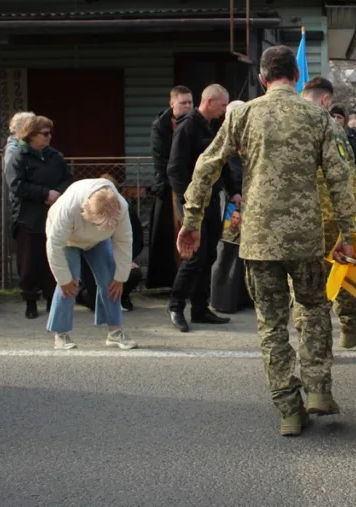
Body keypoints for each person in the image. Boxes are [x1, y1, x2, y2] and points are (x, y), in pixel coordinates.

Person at [177, 45, 356, 437]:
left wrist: (192, 218)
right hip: (305, 237)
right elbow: (339, 178)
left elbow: (206, 165)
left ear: (261, 79)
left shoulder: (242, 113)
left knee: (271, 324)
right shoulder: (317, 115)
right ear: (295, 76)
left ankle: (289, 410)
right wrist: (349, 233)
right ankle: (319, 390)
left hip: (258, 239)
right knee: (312, 309)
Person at [302, 77, 356, 349]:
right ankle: (349, 327)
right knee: (342, 271)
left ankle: (303, 326)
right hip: (331, 216)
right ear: (325, 100)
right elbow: (346, 177)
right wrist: (354, 217)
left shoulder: (288, 124)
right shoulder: (330, 127)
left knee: (303, 278)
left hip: (298, 217)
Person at [166, 84, 238, 332]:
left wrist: (234, 191)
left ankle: (199, 308)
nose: (224, 110)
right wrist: (189, 203)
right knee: (193, 255)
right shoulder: (187, 128)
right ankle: (176, 306)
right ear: (209, 102)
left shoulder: (214, 127)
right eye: (222, 105)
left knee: (209, 255)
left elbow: (223, 163)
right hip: (193, 202)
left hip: (212, 199)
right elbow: (175, 168)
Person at [45, 178, 137, 350]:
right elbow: (54, 245)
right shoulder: (69, 207)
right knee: (69, 283)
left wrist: (121, 277)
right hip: (68, 241)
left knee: (111, 281)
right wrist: (63, 279)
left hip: (99, 241)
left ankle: (115, 332)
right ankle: (61, 334)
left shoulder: (121, 207)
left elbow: (124, 241)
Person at [5, 115, 73, 319]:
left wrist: (59, 193)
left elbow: (67, 178)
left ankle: (53, 298)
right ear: (32, 135)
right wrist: (44, 194)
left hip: (52, 217)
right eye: (45, 133)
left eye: (50, 133)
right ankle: (30, 301)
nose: (49, 137)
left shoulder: (55, 156)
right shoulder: (19, 156)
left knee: (51, 259)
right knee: (29, 263)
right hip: (28, 217)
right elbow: (16, 185)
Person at [147, 86, 193, 289]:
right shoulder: (160, 126)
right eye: (183, 103)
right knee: (170, 236)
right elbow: (161, 160)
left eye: (190, 102)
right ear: (172, 103)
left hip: (191, 186)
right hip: (168, 186)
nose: (188, 106)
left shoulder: (194, 123)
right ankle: (172, 282)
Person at [77, 174, 144, 312]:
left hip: (118, 256)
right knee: (96, 304)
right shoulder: (87, 210)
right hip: (92, 257)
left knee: (134, 272)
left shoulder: (126, 212)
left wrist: (126, 259)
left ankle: (122, 296)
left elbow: (136, 240)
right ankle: (85, 295)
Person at [330, 105, 356, 201]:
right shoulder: (325, 135)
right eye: (333, 116)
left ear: (345, 120)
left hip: (352, 184)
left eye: (339, 117)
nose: (335, 120)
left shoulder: (355, 137)